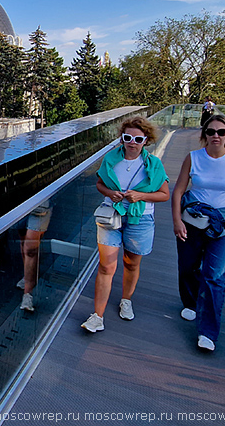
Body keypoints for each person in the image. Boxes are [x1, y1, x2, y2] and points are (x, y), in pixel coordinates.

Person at [171, 114, 225, 351]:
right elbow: (178, 190)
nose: (216, 136)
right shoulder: (193, 157)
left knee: (214, 276)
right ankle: (192, 301)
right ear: (204, 135)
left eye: (221, 132)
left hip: (224, 224)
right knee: (188, 267)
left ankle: (208, 332)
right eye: (211, 131)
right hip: (194, 220)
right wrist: (177, 220)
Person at [81, 116, 169, 332]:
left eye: (138, 139)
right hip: (111, 215)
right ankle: (97, 316)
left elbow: (164, 195)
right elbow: (100, 184)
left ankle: (126, 299)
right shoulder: (111, 159)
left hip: (141, 218)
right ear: (121, 138)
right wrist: (111, 193)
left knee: (131, 263)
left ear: (146, 141)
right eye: (127, 137)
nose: (132, 142)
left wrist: (139, 196)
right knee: (106, 266)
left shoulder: (154, 165)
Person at [16, 200, 53, 312]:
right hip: (19, 202)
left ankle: (28, 294)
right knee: (23, 240)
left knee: (30, 249)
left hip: (40, 203)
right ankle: (28, 277)